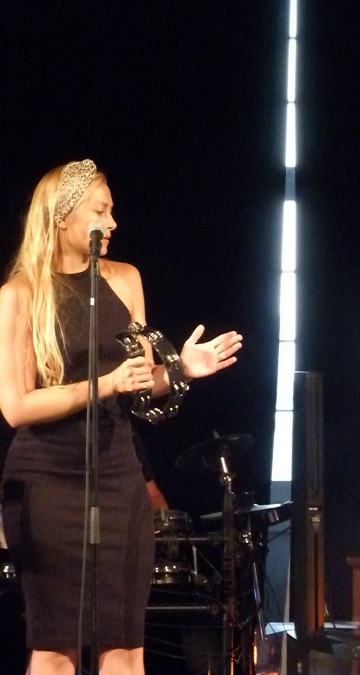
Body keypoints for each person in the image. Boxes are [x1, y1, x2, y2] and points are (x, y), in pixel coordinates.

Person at [0, 159, 242, 675]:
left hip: (117, 475)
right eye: (100, 211)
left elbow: (139, 382)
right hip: (46, 481)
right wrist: (103, 384)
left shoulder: (125, 279)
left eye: (111, 212)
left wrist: (181, 369)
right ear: (62, 217)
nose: (112, 223)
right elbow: (16, 405)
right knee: (55, 649)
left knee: (125, 646)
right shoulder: (20, 295)